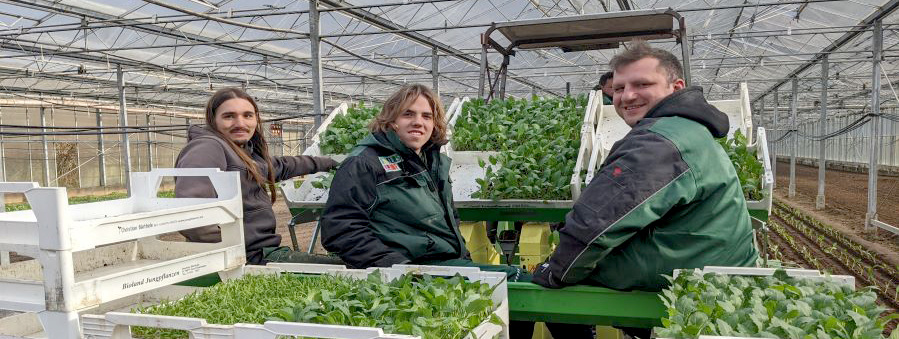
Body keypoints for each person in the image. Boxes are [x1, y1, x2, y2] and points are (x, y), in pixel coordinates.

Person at [534, 41, 758, 336]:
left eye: (642, 84)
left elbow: (594, 225)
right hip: (711, 275)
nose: (627, 96)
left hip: (687, 282)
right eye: (618, 88)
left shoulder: (657, 141)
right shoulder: (687, 129)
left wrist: (555, 270)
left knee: (548, 293)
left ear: (676, 87)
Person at [175, 87, 341, 265]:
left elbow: (281, 166)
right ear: (213, 120)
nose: (240, 123)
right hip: (247, 257)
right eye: (229, 116)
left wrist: (330, 163)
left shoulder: (242, 153)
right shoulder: (207, 147)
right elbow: (192, 214)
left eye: (247, 115)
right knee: (347, 270)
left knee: (347, 265)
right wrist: (234, 253)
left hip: (260, 251)